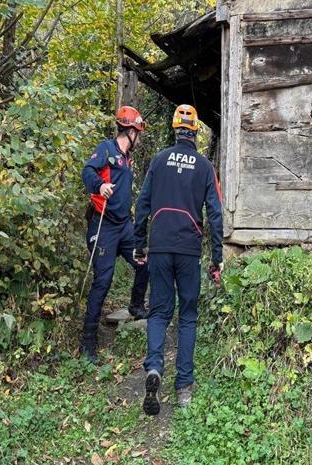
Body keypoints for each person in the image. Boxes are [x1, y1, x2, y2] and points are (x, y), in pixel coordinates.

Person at [133, 104, 223, 415]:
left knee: (158, 312)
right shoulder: (204, 166)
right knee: (187, 316)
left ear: (174, 128)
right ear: (196, 131)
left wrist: (139, 243)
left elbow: (143, 202)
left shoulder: (158, 160)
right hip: (188, 248)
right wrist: (217, 257)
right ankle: (184, 387)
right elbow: (215, 212)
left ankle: (154, 368)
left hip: (158, 246)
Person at [79, 105, 151, 362]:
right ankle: (88, 341)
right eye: (138, 133)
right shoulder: (106, 149)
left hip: (124, 227)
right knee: (103, 280)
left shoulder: (127, 157)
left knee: (144, 262)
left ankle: (135, 305)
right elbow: (87, 171)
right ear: (130, 131)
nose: (139, 139)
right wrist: (100, 186)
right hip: (104, 225)